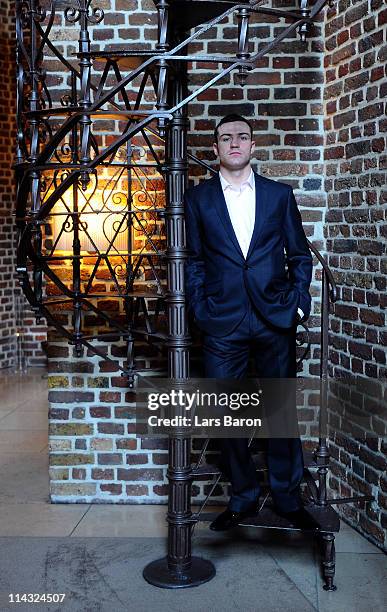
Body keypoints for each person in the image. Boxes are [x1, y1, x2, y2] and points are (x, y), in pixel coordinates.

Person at [184, 113, 318, 531]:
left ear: (254, 146)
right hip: (222, 322)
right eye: (226, 139)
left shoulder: (279, 196)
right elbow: (192, 261)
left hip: (274, 318)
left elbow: (299, 255)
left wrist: (297, 304)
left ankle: (286, 497)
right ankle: (242, 497)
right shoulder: (198, 199)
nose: (235, 144)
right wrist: (201, 310)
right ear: (216, 149)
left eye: (242, 137)